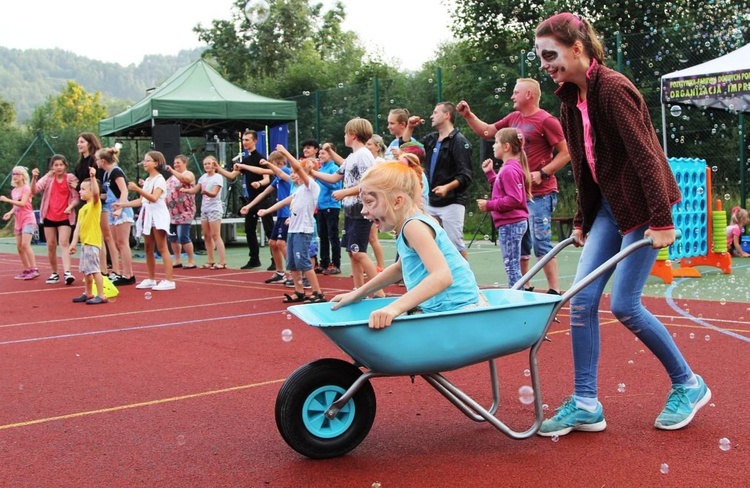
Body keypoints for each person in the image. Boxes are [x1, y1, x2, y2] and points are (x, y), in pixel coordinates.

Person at [533, 12, 710, 436]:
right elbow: (585, 163)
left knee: (625, 305)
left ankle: (689, 383)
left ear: (578, 48)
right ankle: (586, 402)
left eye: (550, 54)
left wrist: (662, 220)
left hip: (644, 209)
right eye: (540, 57)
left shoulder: (613, 89)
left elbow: (647, 155)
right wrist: (582, 219)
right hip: (609, 209)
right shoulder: (569, 99)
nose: (545, 63)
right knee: (581, 301)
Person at [330, 162, 484, 329]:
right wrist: (357, 294)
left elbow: (442, 276)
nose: (363, 211)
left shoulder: (413, 226)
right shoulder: (411, 223)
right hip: (453, 308)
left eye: (369, 202)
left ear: (397, 202)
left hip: (457, 311)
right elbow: (399, 268)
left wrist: (394, 308)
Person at [457, 79, 569, 294]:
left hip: (540, 194)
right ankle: (523, 286)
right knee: (522, 244)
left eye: (516, 92)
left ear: (529, 94)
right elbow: (488, 132)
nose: (512, 96)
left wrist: (543, 173)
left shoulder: (547, 120)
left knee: (541, 242)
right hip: (520, 192)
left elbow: (566, 152)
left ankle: (554, 291)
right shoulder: (513, 118)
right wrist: (468, 115)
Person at [312, 118, 383, 296]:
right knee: (352, 252)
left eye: (345, 133)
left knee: (359, 252)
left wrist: (345, 193)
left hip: (362, 209)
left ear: (352, 135)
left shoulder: (364, 155)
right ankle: (358, 291)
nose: (344, 136)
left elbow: (369, 183)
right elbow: (334, 177)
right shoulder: (352, 157)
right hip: (350, 210)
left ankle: (379, 291)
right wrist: (310, 172)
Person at [402, 102, 473, 259]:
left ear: (446, 115)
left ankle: (465, 279)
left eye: (435, 112)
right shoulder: (432, 139)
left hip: (452, 203)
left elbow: (465, 175)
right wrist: (410, 127)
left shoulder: (460, 142)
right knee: (428, 242)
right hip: (431, 203)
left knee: (455, 245)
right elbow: (407, 149)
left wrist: (447, 187)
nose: (431, 116)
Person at [259, 145, 326, 303]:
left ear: (306, 173)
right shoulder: (298, 190)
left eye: (296, 172)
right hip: (293, 230)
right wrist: (267, 211)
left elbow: (297, 166)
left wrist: (285, 153)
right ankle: (299, 291)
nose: (293, 174)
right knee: (292, 262)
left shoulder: (312, 187)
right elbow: (284, 202)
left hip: (303, 230)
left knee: (303, 261)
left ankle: (318, 292)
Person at [476, 129, 531, 287]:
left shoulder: (509, 169)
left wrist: (489, 205)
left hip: (511, 223)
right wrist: (490, 174)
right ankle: (517, 295)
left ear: (506, 146)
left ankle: (516, 300)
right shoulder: (510, 167)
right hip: (512, 223)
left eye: (496, 142)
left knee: (512, 266)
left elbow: (514, 199)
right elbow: (502, 190)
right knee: (512, 265)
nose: (493, 146)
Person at [114, 151, 175, 291]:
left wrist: (136, 188)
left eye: (148, 160)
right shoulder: (148, 180)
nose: (145, 163)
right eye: (144, 160)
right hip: (147, 215)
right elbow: (142, 200)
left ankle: (169, 280)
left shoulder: (159, 179)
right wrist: (123, 204)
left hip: (158, 215)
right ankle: (151, 278)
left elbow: (154, 198)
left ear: (156, 163)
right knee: (148, 247)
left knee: (162, 247)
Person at [216, 130, 274, 269]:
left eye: (247, 140)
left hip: (264, 199)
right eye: (243, 140)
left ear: (255, 141)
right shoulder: (245, 160)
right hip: (251, 200)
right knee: (249, 229)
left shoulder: (261, 159)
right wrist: (217, 168)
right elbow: (231, 176)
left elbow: (267, 179)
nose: (245, 142)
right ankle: (254, 259)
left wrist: (259, 184)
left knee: (268, 230)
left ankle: (274, 260)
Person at [241, 150, 292, 285]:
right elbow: (264, 193)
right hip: (281, 213)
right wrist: (249, 206)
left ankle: (293, 273)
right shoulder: (277, 178)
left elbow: (268, 171)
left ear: (280, 163)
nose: (270, 168)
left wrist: (267, 164)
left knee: (281, 243)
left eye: (272, 164)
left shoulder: (286, 171)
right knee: (272, 243)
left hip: (288, 213)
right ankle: (280, 272)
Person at [75, 133, 118, 278]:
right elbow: (82, 185)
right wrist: (77, 187)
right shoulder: (80, 164)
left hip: (100, 201)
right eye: (78, 142)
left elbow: (99, 183)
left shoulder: (96, 162)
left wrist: (99, 194)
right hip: (88, 203)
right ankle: (103, 269)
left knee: (106, 235)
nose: (79, 144)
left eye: (82, 142)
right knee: (98, 237)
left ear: (89, 143)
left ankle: (115, 271)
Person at [31, 155, 79, 285]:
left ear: (65, 166)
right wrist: (34, 178)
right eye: (56, 165)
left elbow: (76, 197)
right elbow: (34, 190)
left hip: (65, 215)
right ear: (52, 166)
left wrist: (70, 207)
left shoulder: (70, 178)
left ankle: (67, 272)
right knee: (51, 245)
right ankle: (54, 273)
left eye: (61, 165)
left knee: (64, 242)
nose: (58, 167)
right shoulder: (48, 178)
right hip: (49, 215)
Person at [96, 147, 136, 286]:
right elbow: (107, 194)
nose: (96, 162)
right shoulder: (107, 174)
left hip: (121, 209)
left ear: (102, 161)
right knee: (116, 243)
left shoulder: (116, 171)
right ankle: (120, 272)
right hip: (111, 208)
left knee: (123, 242)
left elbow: (124, 190)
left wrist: (121, 206)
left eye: (97, 159)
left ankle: (128, 274)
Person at [68, 167, 107, 304]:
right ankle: (88, 292)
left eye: (83, 189)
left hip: (93, 242)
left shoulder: (94, 205)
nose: (80, 191)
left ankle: (101, 295)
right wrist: (73, 243)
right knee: (86, 270)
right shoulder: (83, 209)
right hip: (85, 243)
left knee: (95, 270)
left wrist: (92, 178)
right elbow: (78, 227)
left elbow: (96, 194)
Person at [181, 156, 226, 269]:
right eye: (205, 164)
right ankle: (210, 260)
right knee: (206, 235)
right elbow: (195, 190)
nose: (206, 166)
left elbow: (214, 193)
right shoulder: (202, 178)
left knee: (215, 235)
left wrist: (206, 192)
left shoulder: (218, 177)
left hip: (215, 208)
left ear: (214, 164)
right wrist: (186, 190)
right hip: (204, 209)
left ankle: (222, 261)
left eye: (209, 163)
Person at [1, 166, 39, 280]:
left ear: (23, 176)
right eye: (13, 174)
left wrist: (7, 200)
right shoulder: (14, 191)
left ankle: (34, 269)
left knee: (25, 245)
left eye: (17, 173)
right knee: (19, 247)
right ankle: (27, 269)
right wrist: (10, 212)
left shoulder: (26, 188)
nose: (15, 176)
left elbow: (22, 203)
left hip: (28, 219)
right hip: (18, 220)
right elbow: (16, 205)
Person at [166, 154, 197, 269]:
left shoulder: (188, 174)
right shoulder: (170, 178)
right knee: (173, 238)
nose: (176, 165)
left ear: (185, 163)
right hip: (172, 213)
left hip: (185, 212)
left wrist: (173, 171)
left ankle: (191, 260)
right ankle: (177, 259)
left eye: (178, 163)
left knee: (183, 236)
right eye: (174, 163)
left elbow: (186, 180)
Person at [315, 143, 343, 275]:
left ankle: (336, 263)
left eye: (323, 153)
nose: (320, 156)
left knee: (333, 235)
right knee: (323, 236)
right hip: (321, 206)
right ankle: (324, 262)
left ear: (331, 155)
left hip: (331, 206)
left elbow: (335, 185)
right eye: (319, 153)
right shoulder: (320, 169)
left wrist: (319, 178)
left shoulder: (335, 168)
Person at [365, 134, 387, 271]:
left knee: (372, 237)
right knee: (367, 237)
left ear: (377, 147)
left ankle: (380, 266)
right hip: (368, 202)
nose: (366, 147)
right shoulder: (367, 161)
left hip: (376, 202)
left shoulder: (379, 163)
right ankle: (366, 267)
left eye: (369, 144)